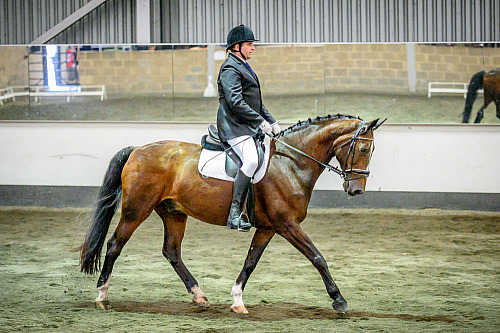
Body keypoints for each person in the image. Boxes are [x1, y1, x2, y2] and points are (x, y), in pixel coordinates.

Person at [217, 24, 281, 232]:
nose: (253, 48)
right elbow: (235, 102)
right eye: (249, 44)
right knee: (252, 159)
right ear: (237, 47)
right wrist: (258, 122)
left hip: (246, 125)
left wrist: (272, 122)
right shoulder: (229, 68)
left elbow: (256, 102)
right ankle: (234, 214)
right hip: (234, 127)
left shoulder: (243, 66)